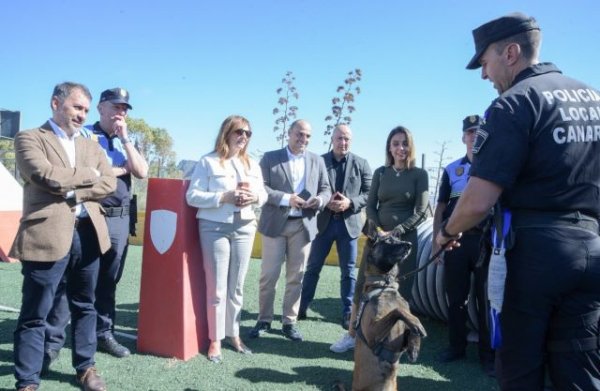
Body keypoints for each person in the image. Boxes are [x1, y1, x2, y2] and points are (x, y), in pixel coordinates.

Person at [436, 12, 600, 390]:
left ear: (510, 53)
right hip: (591, 249)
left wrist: (446, 232)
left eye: (485, 62)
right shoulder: (591, 96)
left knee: (519, 366)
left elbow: (478, 201)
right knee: (578, 366)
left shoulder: (514, 103)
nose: (483, 74)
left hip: (536, 255)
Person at [10, 82, 116, 391]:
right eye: (76, 107)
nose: (82, 115)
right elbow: (42, 174)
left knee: (85, 306)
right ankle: (28, 381)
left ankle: (85, 368)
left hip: (88, 235)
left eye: (85, 109)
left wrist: (70, 187)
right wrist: (88, 178)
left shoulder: (91, 145)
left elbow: (108, 183)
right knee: (35, 313)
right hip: (46, 234)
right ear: (55, 103)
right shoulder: (30, 137)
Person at [43, 88, 148, 367]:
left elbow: (142, 170)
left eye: (124, 109)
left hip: (121, 218)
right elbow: (90, 175)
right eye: (115, 107)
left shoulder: (128, 139)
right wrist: (121, 169)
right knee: (73, 281)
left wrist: (125, 140)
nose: (120, 113)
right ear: (101, 108)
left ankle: (103, 333)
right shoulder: (85, 135)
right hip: (91, 215)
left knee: (108, 281)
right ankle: (52, 341)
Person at [331, 125, 428, 353]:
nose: (400, 148)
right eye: (395, 144)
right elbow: (371, 206)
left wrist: (398, 231)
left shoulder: (419, 175)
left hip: (403, 243)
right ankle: (353, 335)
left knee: (401, 292)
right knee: (361, 288)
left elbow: (422, 210)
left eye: (404, 143)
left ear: (410, 146)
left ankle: (397, 343)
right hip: (378, 242)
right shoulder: (380, 173)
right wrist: (379, 230)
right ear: (389, 147)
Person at [186, 115, 267, 363]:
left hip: (245, 227)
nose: (244, 137)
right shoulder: (207, 161)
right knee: (217, 288)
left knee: (237, 287)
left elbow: (263, 194)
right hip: (214, 227)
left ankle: (234, 334)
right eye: (239, 132)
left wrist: (253, 198)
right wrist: (224, 197)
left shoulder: (252, 165)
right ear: (227, 133)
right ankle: (215, 339)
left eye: (248, 133)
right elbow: (192, 196)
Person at [248, 119, 331, 342]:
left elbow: (326, 189)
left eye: (307, 136)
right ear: (289, 133)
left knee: (296, 277)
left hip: (303, 227)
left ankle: (289, 322)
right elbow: (261, 187)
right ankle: (264, 319)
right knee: (269, 276)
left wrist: (319, 201)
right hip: (275, 225)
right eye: (299, 134)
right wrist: (287, 199)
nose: (303, 139)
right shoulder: (270, 157)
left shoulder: (317, 160)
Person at [432, 115, 494, 375]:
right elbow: (441, 208)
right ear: (463, 137)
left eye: (478, 131)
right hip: (455, 242)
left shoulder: (493, 166)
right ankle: (456, 347)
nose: (473, 135)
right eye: (469, 132)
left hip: (484, 243)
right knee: (455, 298)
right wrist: (437, 241)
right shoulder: (451, 170)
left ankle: (487, 356)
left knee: (485, 300)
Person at [299, 124, 372, 330]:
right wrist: (323, 201)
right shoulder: (317, 161)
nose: (343, 142)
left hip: (349, 225)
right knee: (313, 267)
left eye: (347, 138)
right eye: (339, 138)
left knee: (348, 271)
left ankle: (348, 312)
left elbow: (369, 193)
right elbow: (306, 188)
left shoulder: (362, 163)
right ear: (332, 139)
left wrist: (350, 203)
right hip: (323, 223)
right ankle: (302, 306)